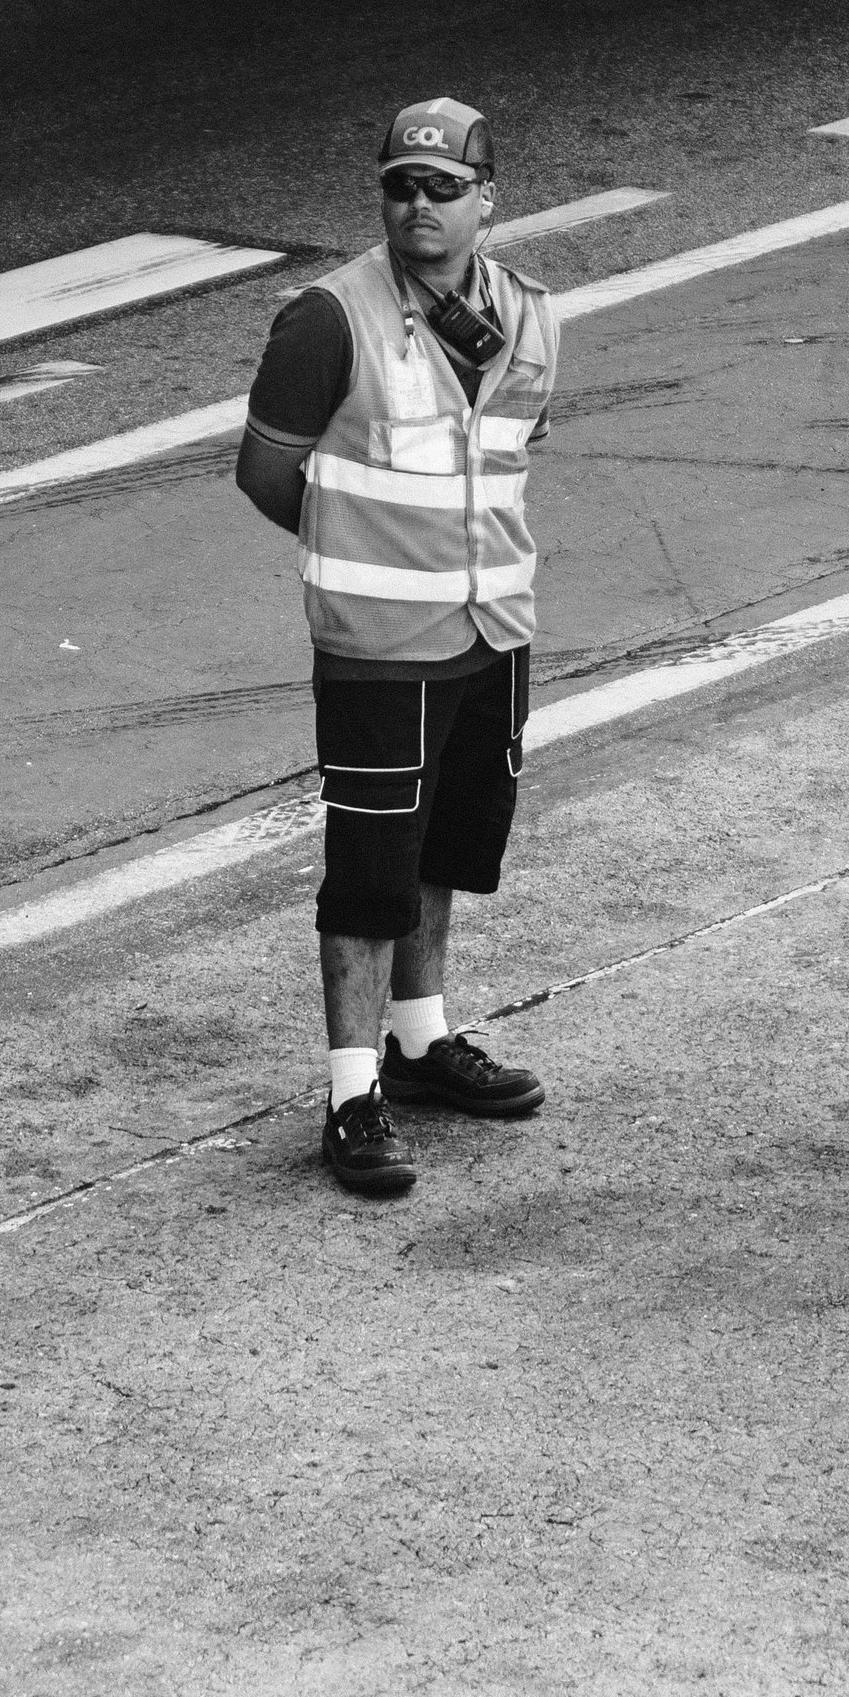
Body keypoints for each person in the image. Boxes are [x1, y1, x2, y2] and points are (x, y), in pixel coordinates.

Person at [236, 96, 561, 1198]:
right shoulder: (327, 319)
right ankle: (350, 1093)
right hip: (380, 640)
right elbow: (267, 470)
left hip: (491, 626)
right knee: (368, 873)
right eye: (398, 186)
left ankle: (419, 1047)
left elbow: (505, 460)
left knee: (446, 850)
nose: (416, 205)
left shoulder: (530, 314)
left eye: (441, 188)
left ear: (486, 201)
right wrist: (352, 542)